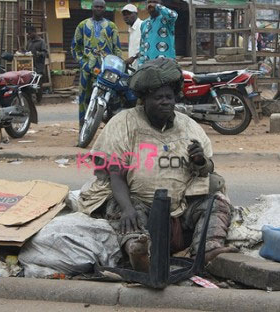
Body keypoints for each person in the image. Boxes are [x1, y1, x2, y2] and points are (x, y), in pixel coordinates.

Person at [88, 58, 235, 271]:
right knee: (124, 211)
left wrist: (200, 161)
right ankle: (139, 253)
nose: (165, 102)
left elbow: (208, 169)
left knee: (217, 202)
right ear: (144, 100)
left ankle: (208, 250)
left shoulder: (189, 126)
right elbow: (115, 175)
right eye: (158, 97)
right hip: (140, 203)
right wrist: (127, 208)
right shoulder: (124, 123)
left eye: (169, 97)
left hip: (181, 209)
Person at [71, 0, 122, 129]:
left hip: (107, 70)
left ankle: (110, 132)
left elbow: (117, 49)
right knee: (84, 100)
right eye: (96, 6)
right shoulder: (82, 25)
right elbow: (75, 47)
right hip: (87, 69)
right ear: (91, 8)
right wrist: (83, 62)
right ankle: (83, 131)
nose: (99, 9)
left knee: (111, 100)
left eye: (101, 7)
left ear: (105, 9)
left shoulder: (112, 26)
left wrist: (118, 66)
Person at [138, 0, 177, 66]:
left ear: (161, 5)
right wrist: (140, 65)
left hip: (165, 65)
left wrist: (157, 6)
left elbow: (173, 15)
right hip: (149, 65)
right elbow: (142, 46)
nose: (151, 4)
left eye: (155, 2)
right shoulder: (144, 24)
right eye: (149, 2)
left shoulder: (167, 20)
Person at [122, 4, 143, 69]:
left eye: (129, 14)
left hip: (143, 68)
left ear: (136, 14)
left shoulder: (142, 26)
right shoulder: (130, 29)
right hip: (134, 69)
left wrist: (133, 57)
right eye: (124, 14)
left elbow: (146, 47)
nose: (126, 16)